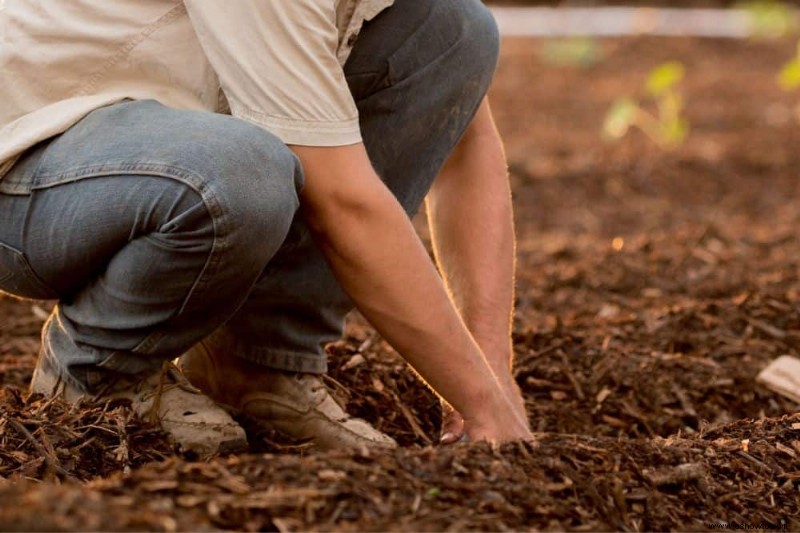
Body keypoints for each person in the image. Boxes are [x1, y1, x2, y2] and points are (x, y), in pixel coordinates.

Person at [0, 0, 533, 456]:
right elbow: (344, 201)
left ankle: (258, 362)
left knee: (450, 30)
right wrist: (481, 405)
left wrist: (492, 375)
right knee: (239, 174)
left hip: (152, 133)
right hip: (28, 159)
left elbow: (466, 141)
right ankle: (98, 374)